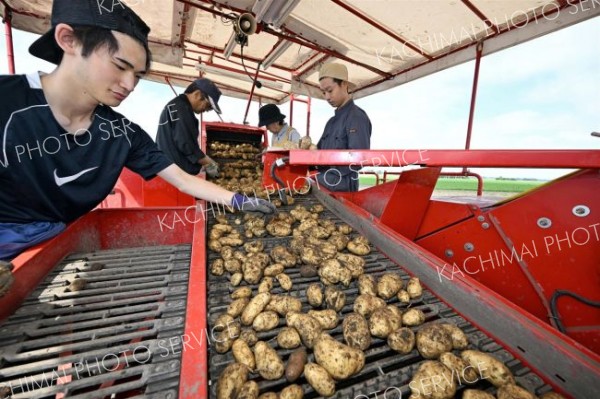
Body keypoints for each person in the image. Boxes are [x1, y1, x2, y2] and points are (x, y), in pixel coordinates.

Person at [0, 0, 275, 261]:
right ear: (69, 40)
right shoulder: (7, 101)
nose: (130, 85)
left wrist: (237, 199)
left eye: (139, 75)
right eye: (120, 66)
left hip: (59, 250)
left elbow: (182, 180)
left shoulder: (120, 132)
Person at [316, 63, 371, 192]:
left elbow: (359, 159)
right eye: (324, 92)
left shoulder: (356, 117)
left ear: (344, 84)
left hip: (342, 189)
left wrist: (324, 175)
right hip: (322, 184)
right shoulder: (331, 123)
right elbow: (317, 154)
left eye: (330, 91)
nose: (327, 97)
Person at [156, 79, 220, 177]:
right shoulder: (182, 109)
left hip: (168, 170)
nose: (206, 110)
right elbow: (187, 146)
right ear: (197, 94)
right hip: (175, 175)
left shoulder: (176, 105)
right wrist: (210, 163)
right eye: (208, 106)